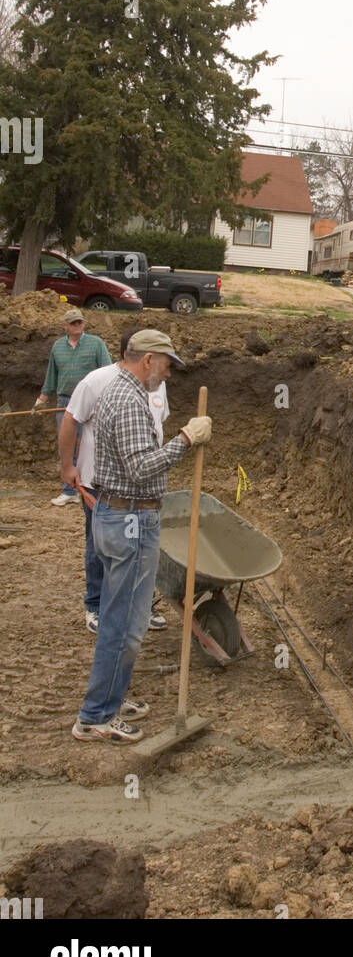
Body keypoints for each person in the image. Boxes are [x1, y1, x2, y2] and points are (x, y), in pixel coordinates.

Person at [72, 329, 212, 743]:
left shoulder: (118, 391)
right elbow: (141, 467)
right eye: (167, 364)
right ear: (148, 359)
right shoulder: (130, 401)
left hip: (117, 516)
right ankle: (97, 716)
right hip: (130, 520)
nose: (168, 374)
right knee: (125, 624)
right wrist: (185, 439)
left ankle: (112, 696)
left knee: (120, 618)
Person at [59, 329, 170, 635]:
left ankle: (141, 605)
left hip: (142, 488)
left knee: (140, 549)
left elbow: (157, 427)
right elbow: (70, 419)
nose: (166, 371)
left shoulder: (156, 384)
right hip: (100, 483)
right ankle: (95, 605)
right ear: (137, 356)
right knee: (100, 547)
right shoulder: (97, 381)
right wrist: (68, 466)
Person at [33, 307, 111, 506]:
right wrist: (42, 399)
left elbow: (107, 372)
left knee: (88, 445)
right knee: (66, 446)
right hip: (65, 402)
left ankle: (88, 488)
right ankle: (69, 491)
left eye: (80, 322)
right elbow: (52, 375)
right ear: (65, 326)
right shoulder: (58, 347)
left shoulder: (96, 344)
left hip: (91, 403)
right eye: (74, 323)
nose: (78, 326)